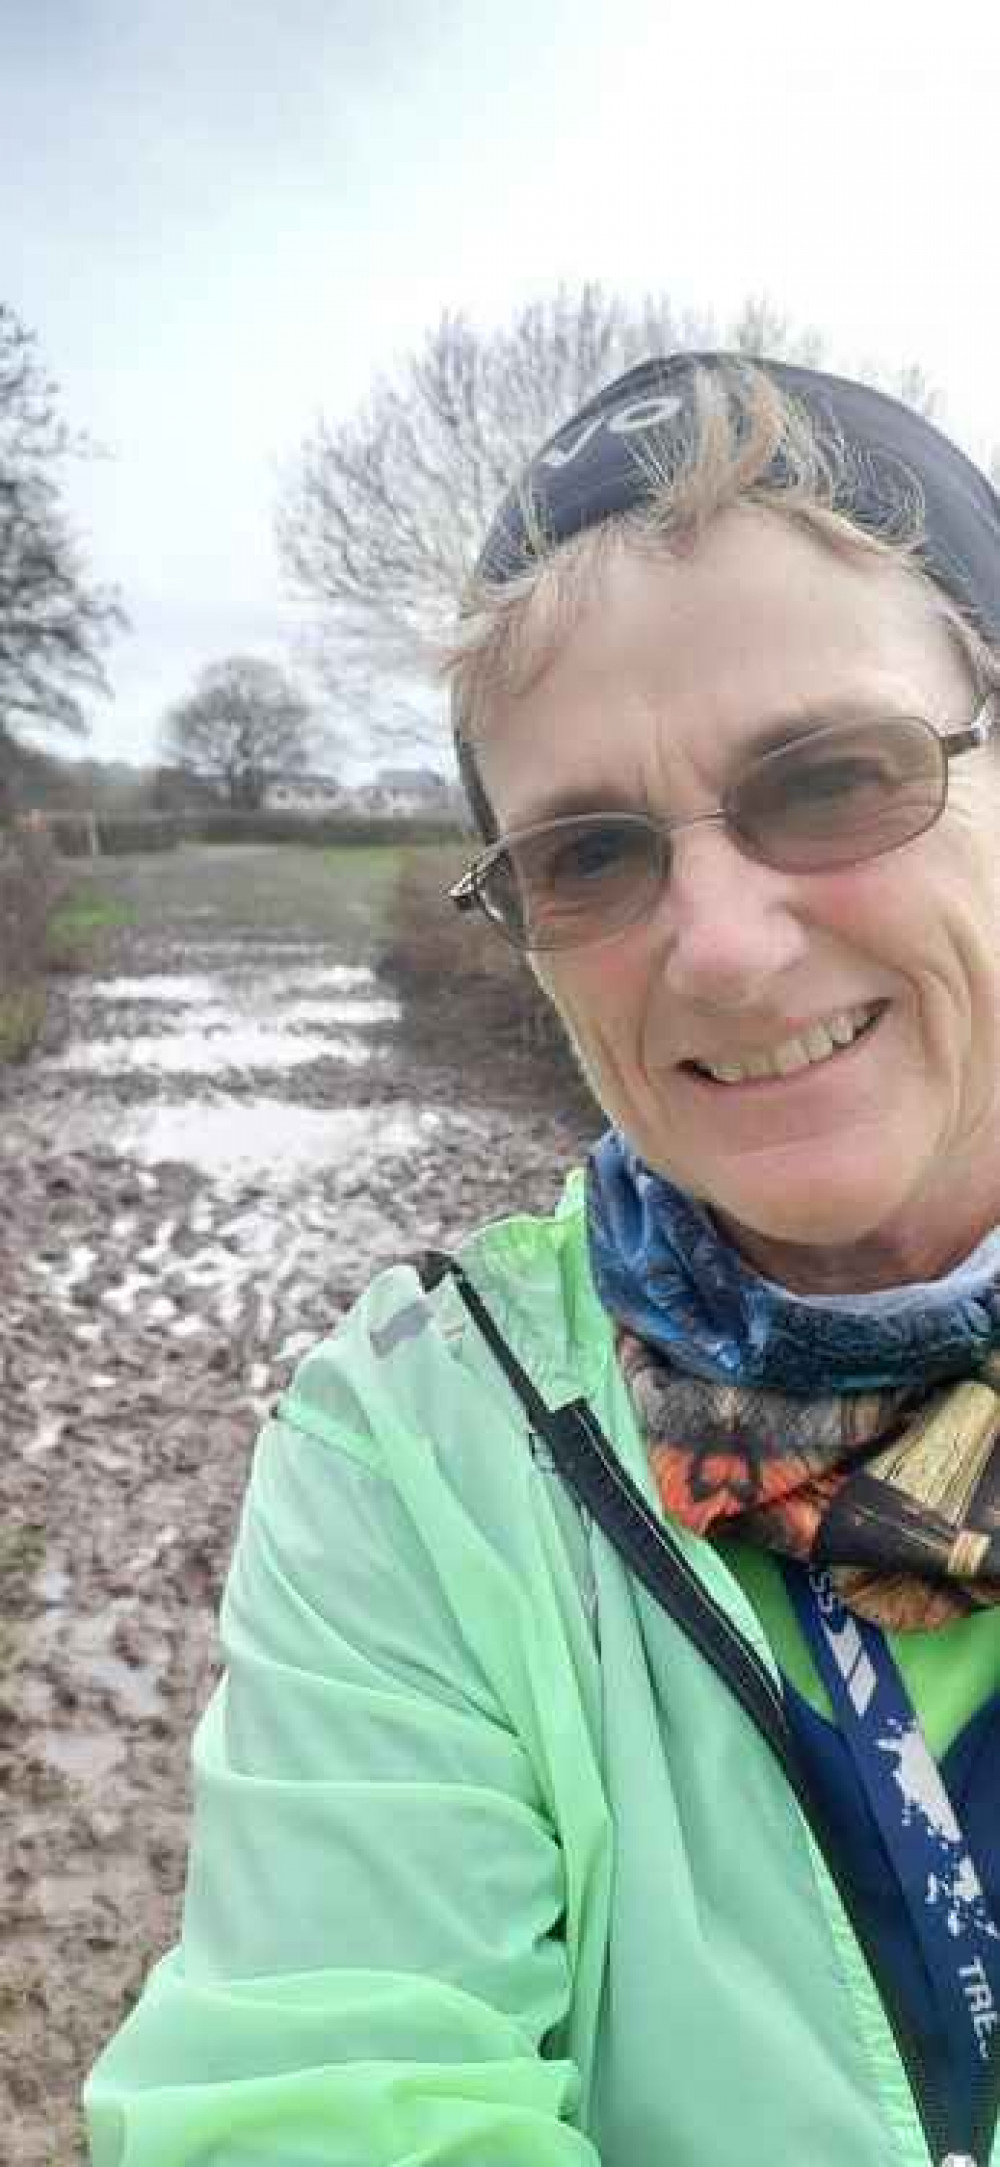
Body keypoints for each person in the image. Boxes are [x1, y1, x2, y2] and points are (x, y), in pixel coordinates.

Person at [85, 353, 1000, 2167]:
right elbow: (312, 2103)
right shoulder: (420, 1442)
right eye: (588, 852)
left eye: (831, 780)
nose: (724, 949)